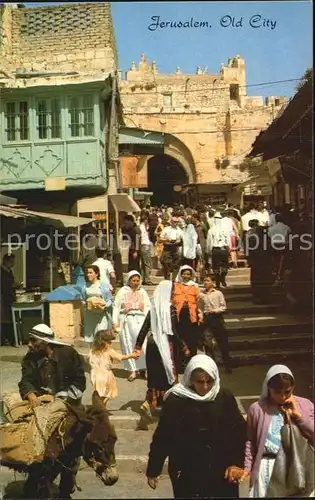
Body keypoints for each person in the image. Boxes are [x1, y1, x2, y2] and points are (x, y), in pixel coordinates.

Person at [146, 354, 246, 498]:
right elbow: (163, 437)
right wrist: (154, 469)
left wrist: (237, 463)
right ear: (190, 379)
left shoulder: (224, 397)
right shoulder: (175, 400)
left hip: (221, 469)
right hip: (187, 471)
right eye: (200, 382)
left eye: (209, 381)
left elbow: (239, 432)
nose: (205, 387)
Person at [237, 364, 314, 497]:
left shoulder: (305, 405)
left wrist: (299, 417)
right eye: (277, 392)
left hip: (299, 467)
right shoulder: (257, 409)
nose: (283, 397)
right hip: (268, 469)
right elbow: (251, 441)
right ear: (268, 389)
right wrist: (247, 468)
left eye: (287, 392)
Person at [133, 280, 190, 417]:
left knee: (154, 376)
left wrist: (138, 346)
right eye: (172, 291)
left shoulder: (153, 309)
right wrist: (183, 346)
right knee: (168, 374)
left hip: (152, 345)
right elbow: (173, 331)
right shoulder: (170, 309)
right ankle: (168, 407)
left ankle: (148, 403)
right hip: (165, 346)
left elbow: (144, 329)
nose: (173, 294)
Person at [18, 324, 86, 406]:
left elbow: (79, 381)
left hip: (67, 401)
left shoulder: (68, 354)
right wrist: (32, 396)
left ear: (45, 342)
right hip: (41, 400)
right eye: (29, 340)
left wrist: (61, 398)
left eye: (33, 340)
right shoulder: (30, 358)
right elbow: (26, 381)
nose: (29, 344)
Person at [112, 270, 151, 382]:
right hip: (127, 320)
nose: (135, 283)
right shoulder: (122, 291)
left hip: (140, 320)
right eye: (133, 280)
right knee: (128, 343)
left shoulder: (142, 292)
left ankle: (143, 368)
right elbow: (116, 307)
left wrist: (148, 320)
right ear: (129, 280)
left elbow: (148, 306)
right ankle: (132, 370)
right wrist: (115, 321)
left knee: (142, 344)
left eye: (137, 280)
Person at [88, 329, 139, 406]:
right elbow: (120, 357)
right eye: (109, 342)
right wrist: (132, 355)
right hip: (105, 375)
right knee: (108, 392)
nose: (111, 344)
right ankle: (100, 407)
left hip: (94, 374)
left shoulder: (92, 350)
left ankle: (100, 406)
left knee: (100, 393)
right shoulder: (108, 350)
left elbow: (89, 359)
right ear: (105, 342)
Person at [198, 274, 232, 374]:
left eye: (207, 281)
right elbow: (199, 307)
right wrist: (200, 315)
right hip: (206, 319)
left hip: (217, 318)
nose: (205, 283)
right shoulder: (201, 295)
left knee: (222, 342)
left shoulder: (218, 293)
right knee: (207, 343)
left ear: (212, 282)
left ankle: (227, 365)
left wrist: (215, 310)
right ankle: (211, 366)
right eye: (204, 281)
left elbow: (223, 307)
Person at [172, 265, 201, 372]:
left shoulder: (195, 286)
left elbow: (199, 301)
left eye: (188, 274)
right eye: (184, 274)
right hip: (179, 317)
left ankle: (192, 364)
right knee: (179, 340)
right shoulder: (175, 285)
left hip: (191, 316)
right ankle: (180, 365)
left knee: (191, 340)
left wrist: (200, 314)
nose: (186, 276)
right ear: (180, 274)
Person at [82, 265, 113, 344]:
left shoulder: (103, 285)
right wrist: (86, 303)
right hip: (90, 315)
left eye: (90, 272)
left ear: (96, 274)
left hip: (101, 315)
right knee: (91, 339)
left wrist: (103, 304)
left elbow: (109, 299)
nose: (88, 274)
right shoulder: (85, 286)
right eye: (87, 273)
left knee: (101, 336)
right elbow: (83, 299)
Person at [206, 211, 231, 288]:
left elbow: (209, 242)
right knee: (224, 266)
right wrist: (229, 249)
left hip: (216, 250)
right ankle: (220, 279)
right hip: (222, 249)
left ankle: (219, 279)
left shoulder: (211, 230)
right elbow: (228, 240)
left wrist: (209, 250)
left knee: (217, 266)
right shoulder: (224, 229)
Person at [159, 215, 183, 280]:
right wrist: (167, 240)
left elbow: (182, 240)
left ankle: (174, 279)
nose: (176, 223)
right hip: (167, 248)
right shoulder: (166, 229)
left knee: (176, 264)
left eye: (177, 222)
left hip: (176, 248)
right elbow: (160, 239)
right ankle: (167, 278)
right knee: (166, 263)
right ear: (171, 222)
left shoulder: (180, 230)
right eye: (174, 221)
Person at [1, 253, 17, 346]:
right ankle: (5, 339)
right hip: (4, 298)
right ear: (6, 261)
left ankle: (9, 339)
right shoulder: (2, 271)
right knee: (4, 320)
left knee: (10, 319)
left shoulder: (9, 271)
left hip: (10, 297)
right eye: (11, 262)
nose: (13, 264)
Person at [139, 213, 154, 285]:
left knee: (144, 264)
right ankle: (147, 279)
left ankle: (144, 279)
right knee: (148, 263)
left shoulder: (143, 227)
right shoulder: (142, 227)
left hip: (144, 245)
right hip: (145, 245)